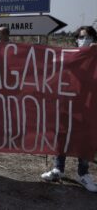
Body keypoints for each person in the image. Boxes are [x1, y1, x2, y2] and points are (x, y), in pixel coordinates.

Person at [41, 26, 97, 192]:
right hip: (68, 103)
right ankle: (58, 168)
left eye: (88, 37)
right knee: (62, 135)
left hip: (89, 106)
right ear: (76, 39)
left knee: (85, 139)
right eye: (81, 37)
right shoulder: (69, 55)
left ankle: (83, 174)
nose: (84, 40)